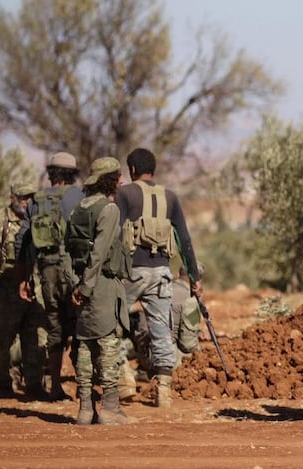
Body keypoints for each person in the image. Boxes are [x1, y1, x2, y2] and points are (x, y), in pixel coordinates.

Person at [116, 147, 201, 408]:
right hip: (162, 272)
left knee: (111, 322)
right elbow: (184, 239)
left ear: (131, 170)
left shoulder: (124, 193)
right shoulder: (171, 197)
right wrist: (194, 276)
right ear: (153, 169)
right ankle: (164, 391)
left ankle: (123, 379)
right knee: (161, 329)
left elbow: (116, 234)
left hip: (131, 271)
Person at [66, 157, 132, 425]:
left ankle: (85, 409)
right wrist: (87, 286)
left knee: (83, 344)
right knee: (107, 343)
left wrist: (76, 285)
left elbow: (69, 251)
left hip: (80, 284)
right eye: (118, 177)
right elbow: (100, 251)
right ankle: (110, 409)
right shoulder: (109, 210)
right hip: (101, 285)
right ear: (109, 180)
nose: (122, 181)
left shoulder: (79, 209)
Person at [0, 182, 47, 400]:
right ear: (11, 197)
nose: (26, 202)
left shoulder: (38, 219)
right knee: (2, 340)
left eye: (30, 198)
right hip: (7, 291)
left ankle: (34, 386)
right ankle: (3, 386)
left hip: (34, 290)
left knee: (35, 338)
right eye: (22, 197)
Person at [26, 151, 84, 401]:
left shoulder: (36, 200)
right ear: (72, 173)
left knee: (54, 328)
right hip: (73, 269)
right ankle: (84, 388)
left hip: (46, 270)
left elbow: (26, 242)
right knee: (81, 326)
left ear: (51, 174)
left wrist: (24, 278)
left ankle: (55, 386)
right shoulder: (80, 197)